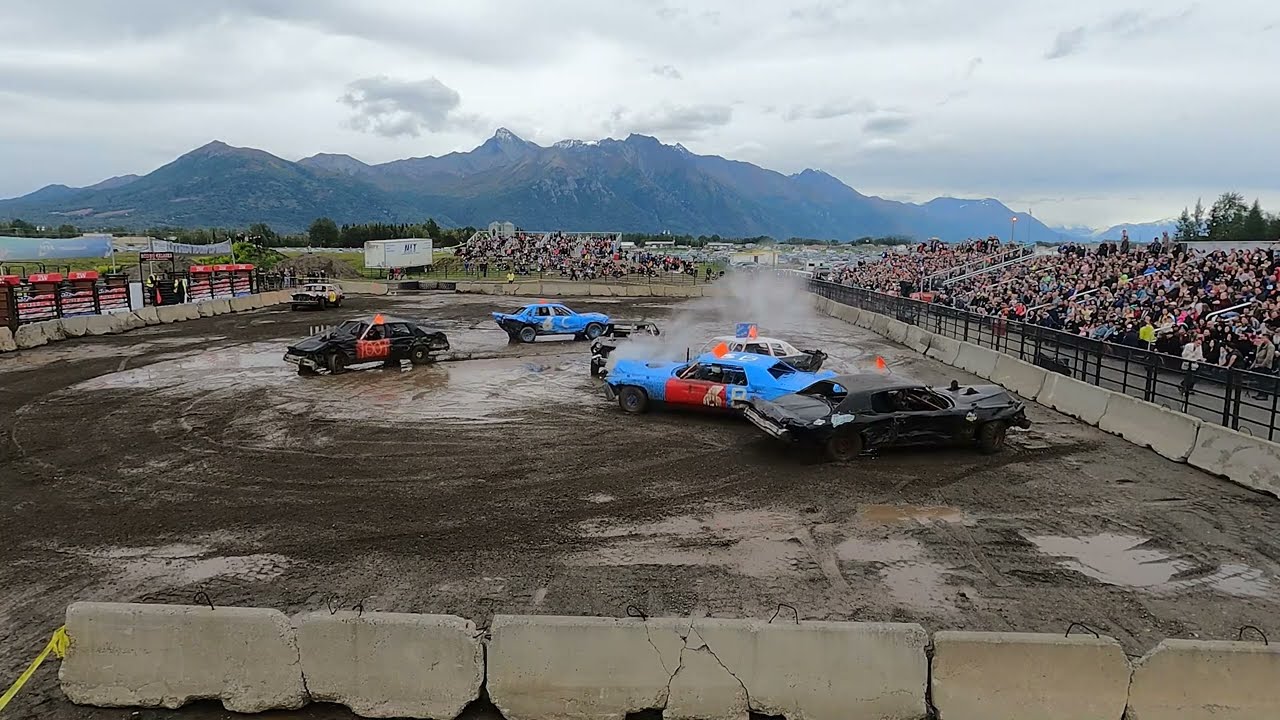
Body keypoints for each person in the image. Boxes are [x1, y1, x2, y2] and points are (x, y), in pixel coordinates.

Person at [1250, 333, 1276, 400]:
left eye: (1263, 338)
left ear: (1267, 338)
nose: (1261, 339)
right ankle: (1260, 393)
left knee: (1264, 381)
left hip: (1265, 366)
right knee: (1260, 381)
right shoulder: (1261, 345)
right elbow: (1257, 355)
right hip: (1258, 364)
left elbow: (1269, 358)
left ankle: (1264, 395)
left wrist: (1262, 365)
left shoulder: (1271, 346)